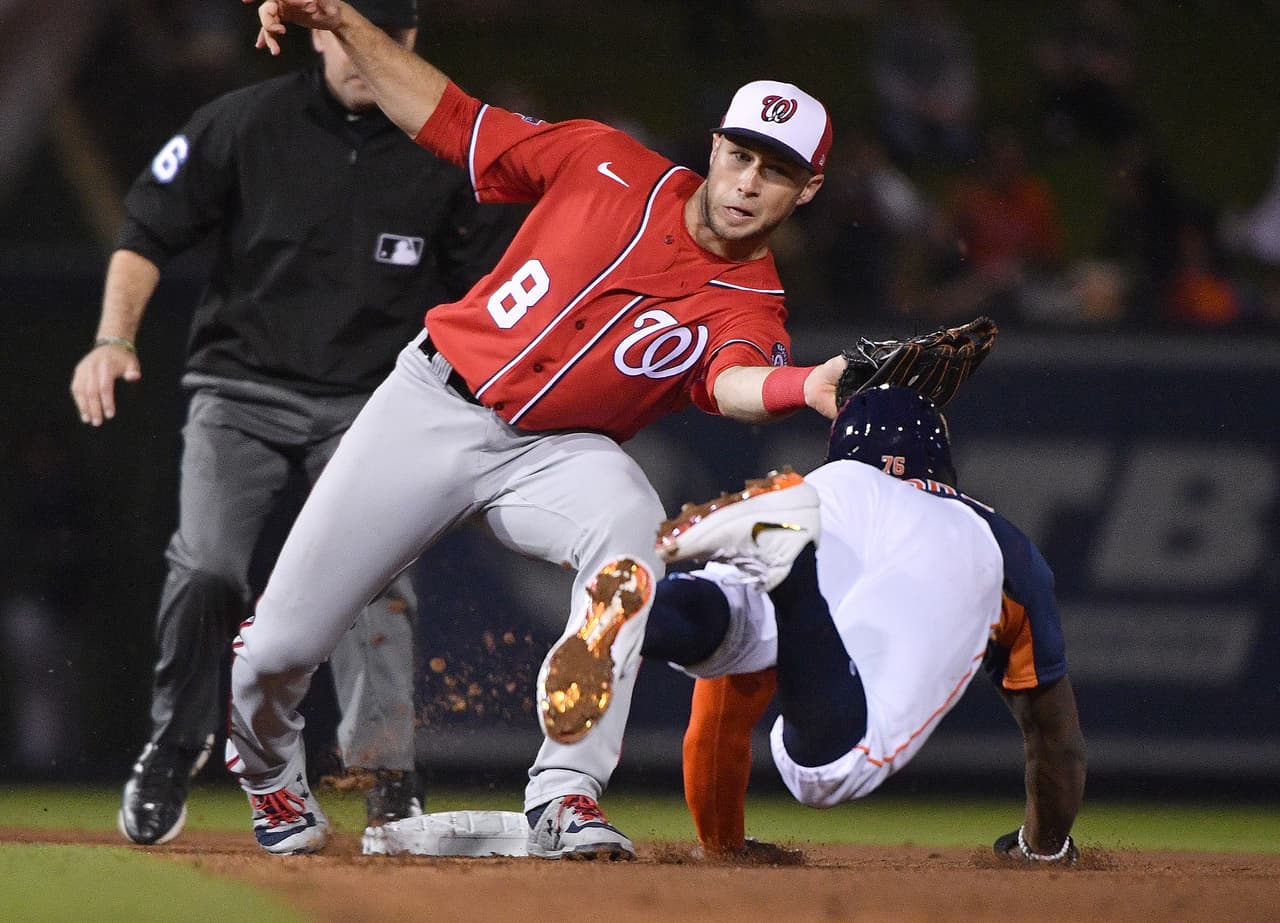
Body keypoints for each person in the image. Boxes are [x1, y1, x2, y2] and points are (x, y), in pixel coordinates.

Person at [231, 0, 848, 858]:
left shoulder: (752, 300)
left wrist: (799, 384)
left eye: (776, 171)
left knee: (631, 524)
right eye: (741, 155)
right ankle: (267, 769)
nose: (748, 183)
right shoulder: (604, 159)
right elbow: (451, 119)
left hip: (557, 454)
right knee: (276, 651)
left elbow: (731, 380)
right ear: (714, 147)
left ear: (808, 188)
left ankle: (565, 791)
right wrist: (339, 17)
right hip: (434, 403)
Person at [68, 0, 520, 846]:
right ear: (318, 31)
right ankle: (173, 746)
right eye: (348, 27)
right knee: (208, 567)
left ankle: (387, 777)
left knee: (376, 579)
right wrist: (112, 336)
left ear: (411, 40)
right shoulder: (245, 122)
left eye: (384, 32)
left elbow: (492, 293)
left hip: (373, 406)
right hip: (240, 388)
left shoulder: (450, 150)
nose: (363, 47)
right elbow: (147, 227)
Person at [642, 385, 1087, 862]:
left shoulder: (824, 488)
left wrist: (721, 845)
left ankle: (645, 609)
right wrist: (1044, 848)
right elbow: (1054, 737)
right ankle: (794, 576)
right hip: (948, 538)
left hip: (828, 498)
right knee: (830, 772)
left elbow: (719, 718)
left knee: (733, 618)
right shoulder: (1006, 547)